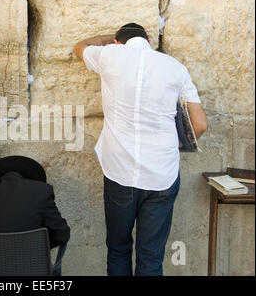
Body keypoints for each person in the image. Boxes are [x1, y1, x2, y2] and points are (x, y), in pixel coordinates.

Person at [73, 23, 208, 276]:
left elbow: (79, 47)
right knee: (151, 257)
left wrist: (106, 38)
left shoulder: (109, 55)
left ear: (117, 41)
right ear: (148, 39)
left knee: (118, 248)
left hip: (119, 172)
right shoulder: (175, 67)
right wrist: (173, 147)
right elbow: (199, 124)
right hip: (162, 175)